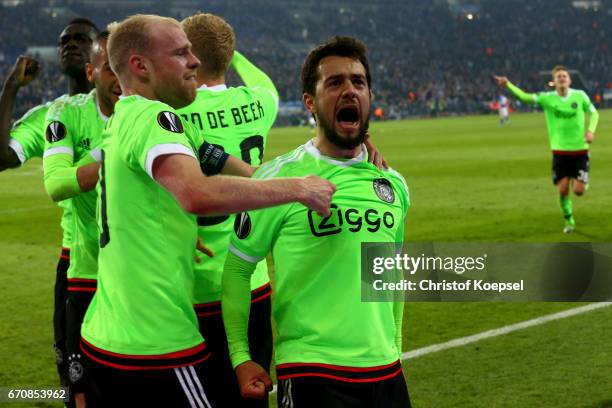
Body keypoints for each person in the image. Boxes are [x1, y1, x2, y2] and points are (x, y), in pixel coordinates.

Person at [79, 14, 334, 407]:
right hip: (155, 343)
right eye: (181, 54)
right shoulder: (155, 118)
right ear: (140, 66)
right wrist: (299, 189)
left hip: (104, 336)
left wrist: (351, 159)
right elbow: (195, 193)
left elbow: (234, 167)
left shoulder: (122, 118)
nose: (195, 62)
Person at [222, 36, 411, 408]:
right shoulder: (277, 180)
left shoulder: (394, 184)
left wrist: (396, 346)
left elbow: (391, 270)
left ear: (370, 95)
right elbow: (238, 269)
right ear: (310, 101)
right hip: (314, 372)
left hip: (385, 371)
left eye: (358, 82)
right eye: (335, 82)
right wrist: (242, 357)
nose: (349, 90)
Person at [0, 17, 99, 400]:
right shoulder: (50, 114)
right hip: (75, 261)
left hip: (127, 256)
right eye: (63, 40)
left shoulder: (129, 108)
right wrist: (11, 85)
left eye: (80, 39)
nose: (68, 44)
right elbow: (2, 155)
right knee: (73, 382)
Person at [42, 31, 119, 407]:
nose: (119, 77)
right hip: (85, 267)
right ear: (91, 72)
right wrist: (112, 152)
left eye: (126, 66)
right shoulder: (67, 114)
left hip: (136, 276)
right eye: (110, 68)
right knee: (78, 388)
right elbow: (57, 184)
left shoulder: (153, 114)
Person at [494, 66, 599, 233]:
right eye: (559, 77)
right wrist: (508, 85)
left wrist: (590, 131)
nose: (562, 78)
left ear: (569, 80)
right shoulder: (547, 98)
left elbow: (594, 114)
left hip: (580, 150)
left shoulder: (580, 96)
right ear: (554, 82)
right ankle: (569, 220)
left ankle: (583, 180)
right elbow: (525, 97)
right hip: (560, 152)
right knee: (563, 189)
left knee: (578, 191)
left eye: (564, 76)